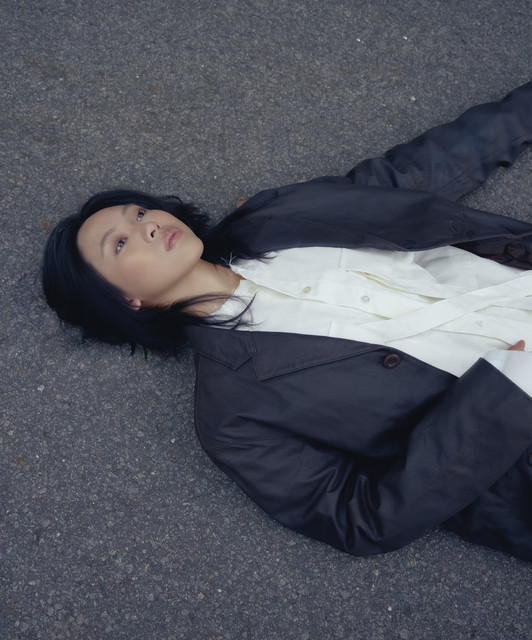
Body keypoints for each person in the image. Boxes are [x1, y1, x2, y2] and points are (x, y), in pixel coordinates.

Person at [43, 83, 532, 561]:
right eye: (120, 244)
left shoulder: (275, 215)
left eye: (138, 213)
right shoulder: (233, 418)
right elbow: (360, 519)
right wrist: (505, 388)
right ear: (125, 301)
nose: (147, 225)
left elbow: (414, 170)